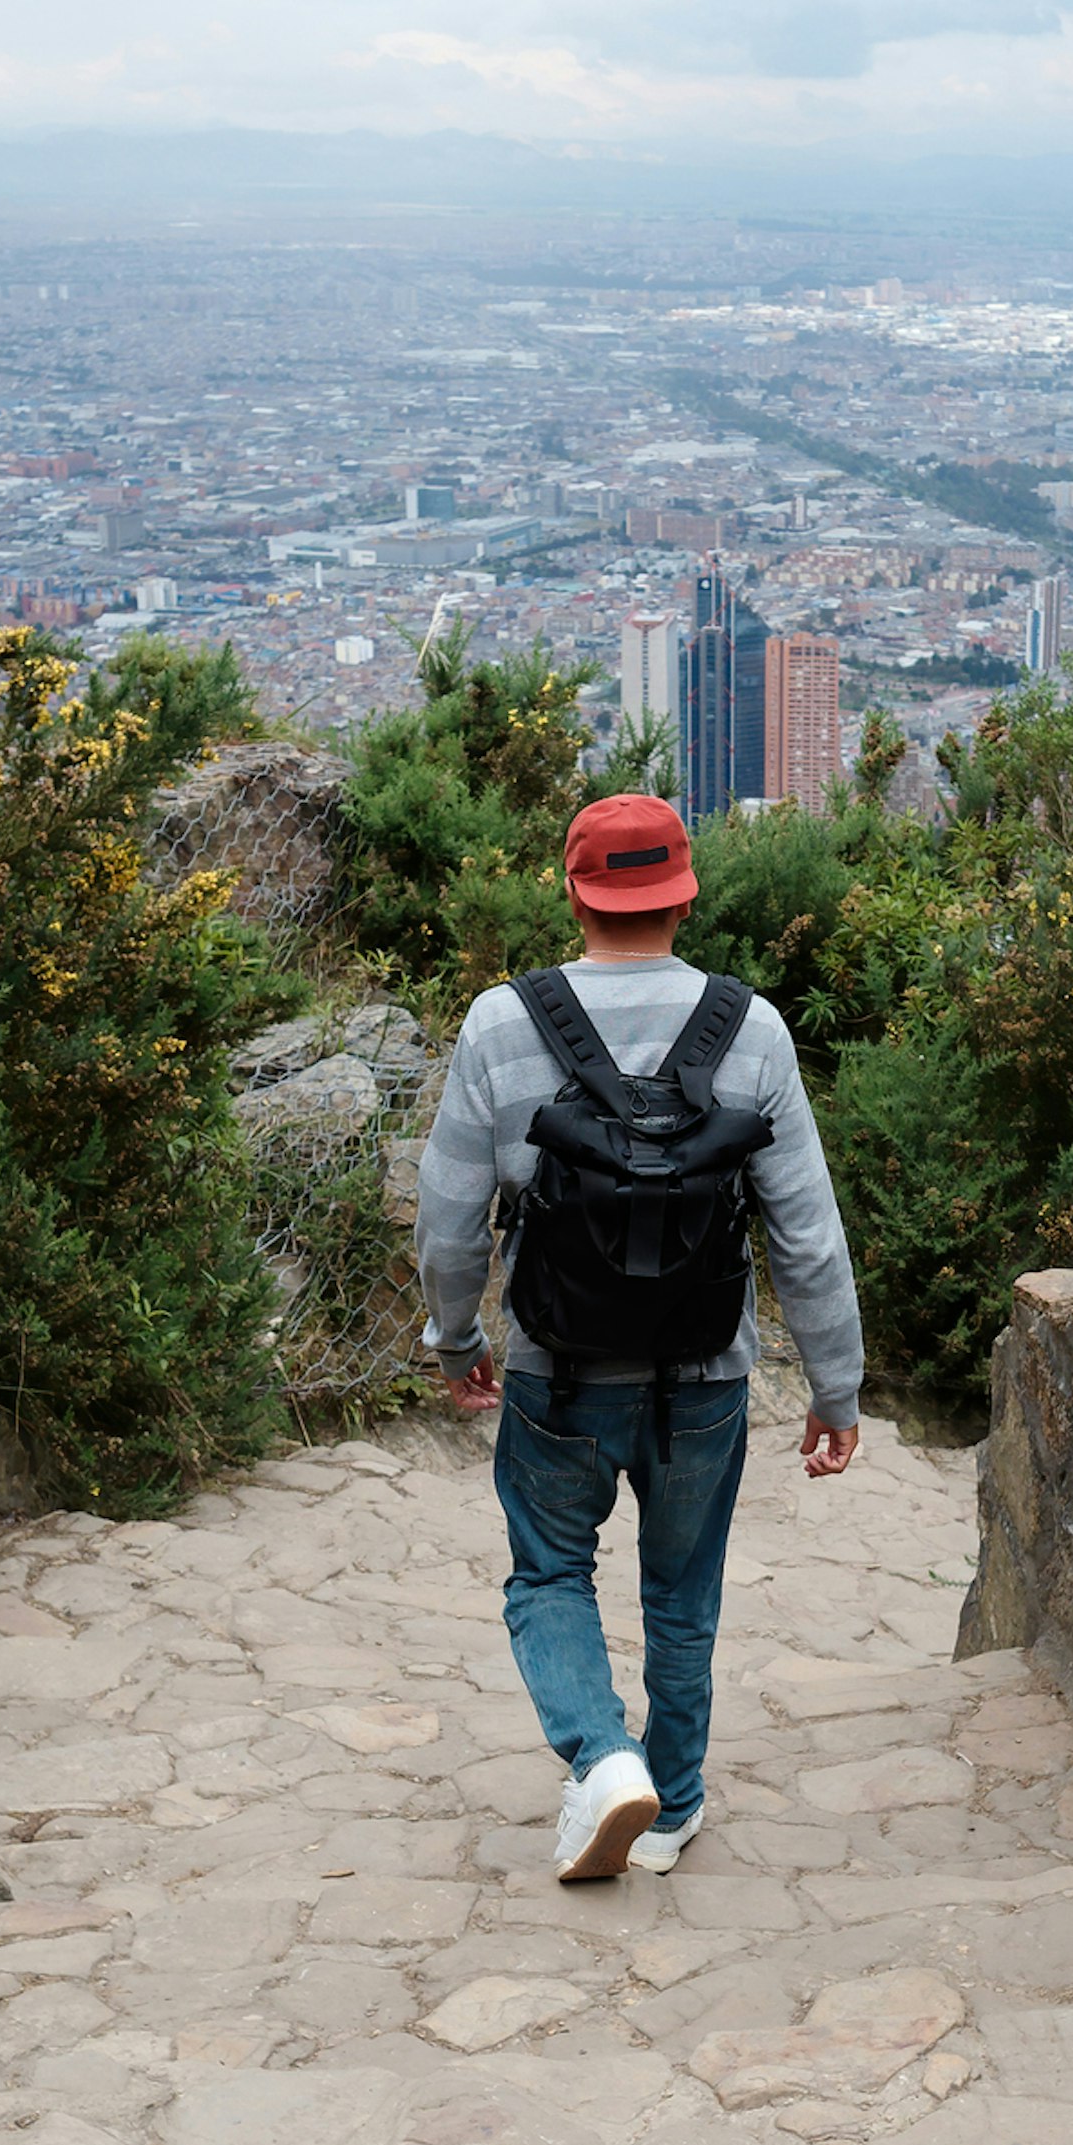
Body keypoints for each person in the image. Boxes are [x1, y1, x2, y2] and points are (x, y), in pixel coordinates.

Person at [415, 791, 867, 1882]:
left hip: (556, 1369)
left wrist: (453, 1333)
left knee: (549, 1575)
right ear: (685, 889)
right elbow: (807, 1231)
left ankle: (603, 1755)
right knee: (682, 1590)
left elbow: (448, 1210)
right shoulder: (749, 1028)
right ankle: (672, 1806)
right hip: (704, 1372)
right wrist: (835, 1386)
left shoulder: (500, 1023)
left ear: (574, 888)